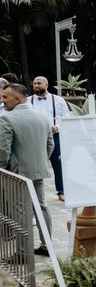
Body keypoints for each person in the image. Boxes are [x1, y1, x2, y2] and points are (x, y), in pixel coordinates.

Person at [0, 83, 54, 256]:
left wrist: (2, 169)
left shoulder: (6, 119)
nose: (2, 101)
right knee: (41, 207)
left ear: (17, 98)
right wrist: (40, 161)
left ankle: (23, 252)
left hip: (16, 174)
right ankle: (47, 246)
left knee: (19, 212)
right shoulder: (43, 117)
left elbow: (3, 151)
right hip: (38, 170)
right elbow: (50, 145)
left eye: (5, 97)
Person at [28, 76, 68, 201]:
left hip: (54, 135)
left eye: (39, 83)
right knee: (33, 165)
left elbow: (65, 116)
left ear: (46, 84)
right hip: (35, 136)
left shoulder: (58, 100)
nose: (36, 85)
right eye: (34, 83)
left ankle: (61, 191)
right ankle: (33, 193)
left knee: (58, 163)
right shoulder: (28, 101)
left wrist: (58, 127)